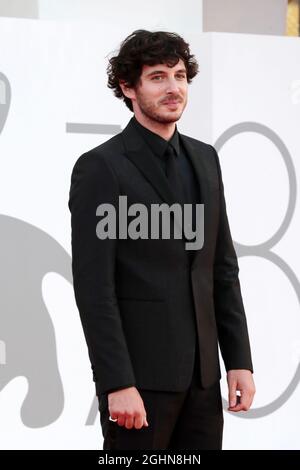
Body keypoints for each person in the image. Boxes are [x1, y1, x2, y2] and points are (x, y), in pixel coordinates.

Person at [68, 29, 255, 450]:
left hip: (204, 382)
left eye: (179, 75)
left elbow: (221, 270)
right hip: (140, 384)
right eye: (157, 77)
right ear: (128, 87)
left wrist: (238, 360)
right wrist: (117, 383)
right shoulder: (102, 168)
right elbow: (95, 288)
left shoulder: (206, 159)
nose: (173, 88)